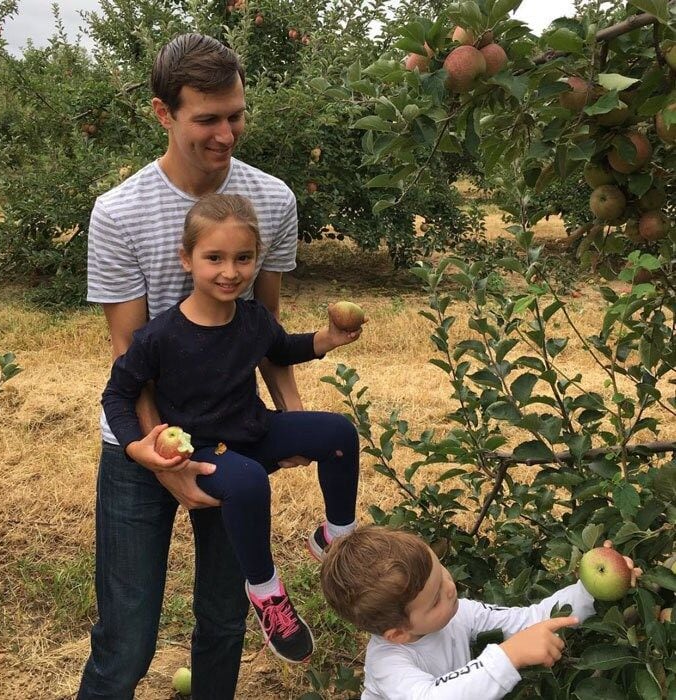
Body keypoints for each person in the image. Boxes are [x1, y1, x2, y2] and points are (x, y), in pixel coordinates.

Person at [80, 33, 313, 699]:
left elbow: (265, 336)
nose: (226, 134)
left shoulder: (271, 201)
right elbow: (130, 361)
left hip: (232, 436)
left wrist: (291, 422)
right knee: (126, 638)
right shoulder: (120, 213)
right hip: (140, 443)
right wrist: (163, 455)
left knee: (223, 619)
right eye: (206, 119)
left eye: (236, 114)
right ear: (164, 113)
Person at [101, 193, 361, 665]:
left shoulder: (253, 318)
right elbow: (117, 394)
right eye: (214, 258)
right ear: (187, 259)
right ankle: (266, 592)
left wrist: (326, 340)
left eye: (243, 258)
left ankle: (337, 536)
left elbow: (281, 348)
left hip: (252, 429)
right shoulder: (160, 335)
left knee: (338, 433)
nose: (230, 271)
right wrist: (138, 445)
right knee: (246, 481)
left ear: (256, 260)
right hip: (201, 447)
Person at [320, 526, 642, 700]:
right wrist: (507, 657)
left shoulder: (460, 613)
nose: (449, 587)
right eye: (434, 600)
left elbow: (526, 620)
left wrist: (589, 589)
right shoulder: (388, 662)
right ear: (398, 633)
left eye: (441, 570)